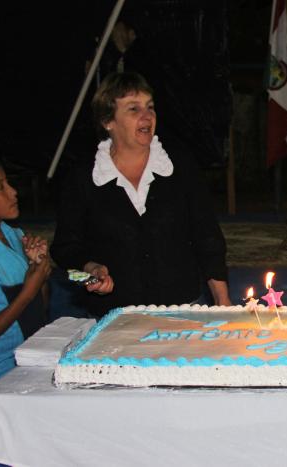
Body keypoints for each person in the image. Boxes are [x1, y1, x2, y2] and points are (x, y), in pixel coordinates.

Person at [50, 72, 232, 318]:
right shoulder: (82, 177)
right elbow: (63, 251)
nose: (147, 116)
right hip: (114, 320)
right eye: (134, 109)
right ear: (107, 121)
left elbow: (207, 236)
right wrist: (89, 270)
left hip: (183, 312)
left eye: (150, 107)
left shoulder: (179, 166)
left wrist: (222, 300)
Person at [0, 156, 52, 383]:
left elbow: (40, 307)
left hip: (29, 362)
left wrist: (38, 268)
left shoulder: (15, 236)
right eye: (0, 187)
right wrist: (27, 292)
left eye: (8, 183)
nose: (13, 192)